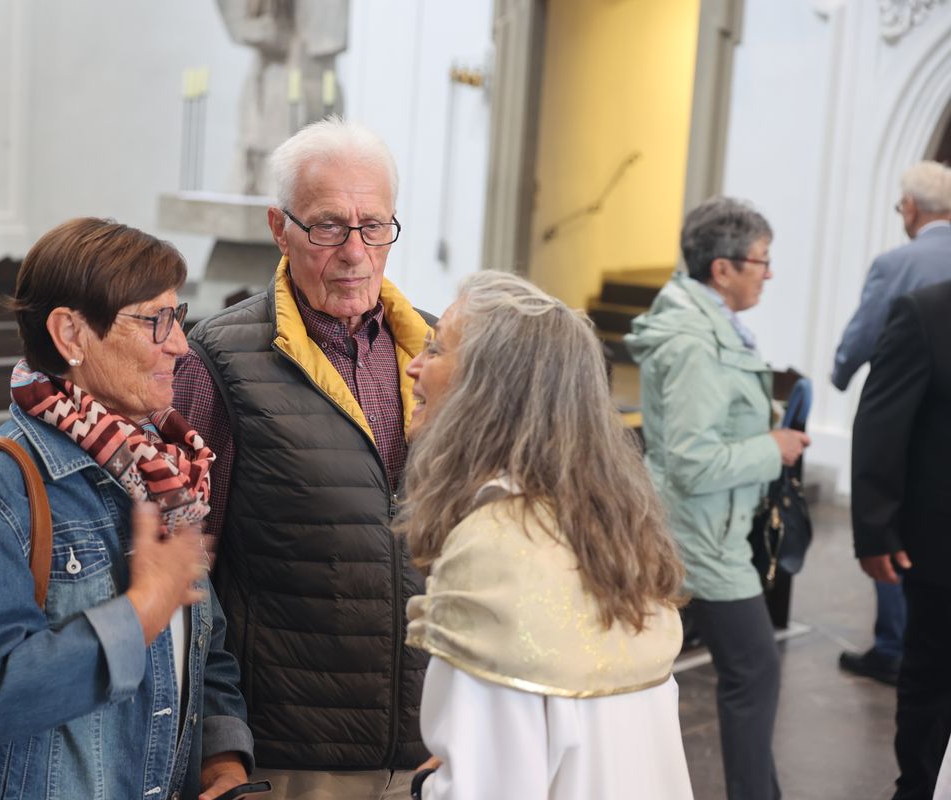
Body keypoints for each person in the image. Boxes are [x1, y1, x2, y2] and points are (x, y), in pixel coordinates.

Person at [0, 217, 254, 800]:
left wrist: (223, 759)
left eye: (177, 317)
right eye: (156, 320)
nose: (180, 342)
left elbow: (205, 646)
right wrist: (141, 610)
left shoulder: (164, 472)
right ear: (71, 334)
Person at [173, 118, 432, 800]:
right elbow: (187, 572)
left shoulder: (437, 354)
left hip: (432, 746)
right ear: (278, 227)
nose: (355, 251)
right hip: (293, 753)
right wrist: (219, 746)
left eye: (374, 225)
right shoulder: (220, 362)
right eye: (327, 226)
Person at [397, 271, 693, 800]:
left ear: (486, 390)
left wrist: (427, 785)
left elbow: (485, 789)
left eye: (437, 349)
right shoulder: (612, 530)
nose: (415, 367)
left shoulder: (494, 548)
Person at [625, 197, 810, 800]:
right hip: (702, 534)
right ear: (723, 269)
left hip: (703, 527)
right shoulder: (694, 340)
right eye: (761, 260)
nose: (769, 272)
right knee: (752, 674)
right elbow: (691, 459)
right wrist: (773, 446)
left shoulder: (705, 320)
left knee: (668, 672)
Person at [832, 160, 951, 688]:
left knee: (895, 528)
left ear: (910, 207)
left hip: (904, 423)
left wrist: (839, 373)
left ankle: (890, 646)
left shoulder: (897, 262)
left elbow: (866, 332)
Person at [851, 278, 951, 800]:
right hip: (940, 546)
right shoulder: (926, 312)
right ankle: (917, 786)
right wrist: (874, 529)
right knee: (932, 682)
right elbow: (880, 424)